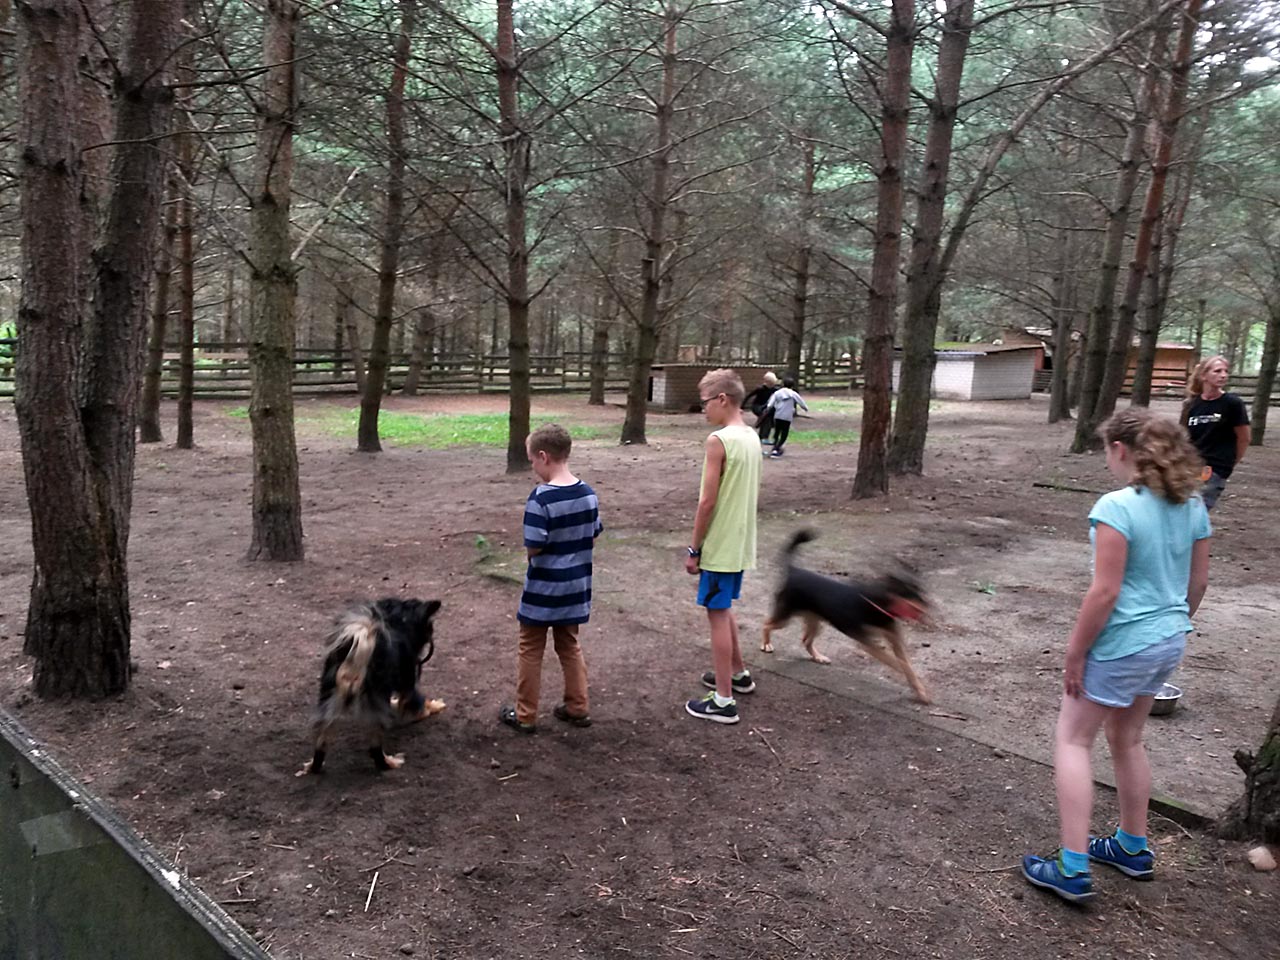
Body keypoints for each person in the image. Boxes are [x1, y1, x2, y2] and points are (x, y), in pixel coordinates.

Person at [1022, 407, 1211, 904]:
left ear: (1121, 450)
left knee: (1072, 740)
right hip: (1168, 639)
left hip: (1121, 643)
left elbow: (1105, 592)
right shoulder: (1191, 504)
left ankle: (1071, 867)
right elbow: (1198, 583)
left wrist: (1075, 652)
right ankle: (1131, 845)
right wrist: (1168, 625)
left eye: (1107, 451)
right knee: (1127, 739)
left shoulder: (1117, 507)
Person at [500, 424, 603, 734]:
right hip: (576, 587)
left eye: (532, 459)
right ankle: (578, 706)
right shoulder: (588, 494)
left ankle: (525, 714)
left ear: (543, 456)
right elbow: (593, 534)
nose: (532, 466)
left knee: (530, 647)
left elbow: (534, 545)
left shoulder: (540, 499)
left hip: (543, 589)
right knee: (569, 645)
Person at [685, 368, 762, 724]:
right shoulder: (751, 436)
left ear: (722, 399)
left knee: (716, 614)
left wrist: (694, 548)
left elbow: (707, 502)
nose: (703, 409)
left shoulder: (719, 440)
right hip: (741, 542)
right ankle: (738, 674)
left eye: (705, 402)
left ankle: (723, 701)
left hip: (720, 545)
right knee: (724, 606)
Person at [1180, 355, 1249, 510]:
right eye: (1217, 371)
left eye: (1226, 371)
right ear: (1203, 375)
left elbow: (1244, 438)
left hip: (1214, 467)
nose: (1223, 375)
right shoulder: (1191, 404)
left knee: (1198, 508)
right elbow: (1183, 436)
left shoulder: (1232, 403)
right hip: (1190, 465)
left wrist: (1229, 463)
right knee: (1181, 506)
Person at [763, 375, 808, 457]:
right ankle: (777, 449)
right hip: (787, 417)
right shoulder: (793, 394)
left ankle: (775, 447)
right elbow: (801, 402)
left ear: (783, 384)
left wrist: (768, 408)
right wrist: (805, 408)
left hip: (777, 415)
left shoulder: (777, 393)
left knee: (777, 432)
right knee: (784, 434)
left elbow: (770, 404)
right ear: (792, 385)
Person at [741, 371, 779, 441]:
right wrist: (742, 406)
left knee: (767, 416)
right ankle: (763, 436)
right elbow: (749, 396)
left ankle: (763, 435)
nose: (772, 385)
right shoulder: (760, 389)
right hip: (757, 406)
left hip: (766, 407)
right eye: (771, 384)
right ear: (767, 382)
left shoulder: (775, 390)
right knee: (766, 416)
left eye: (773, 384)